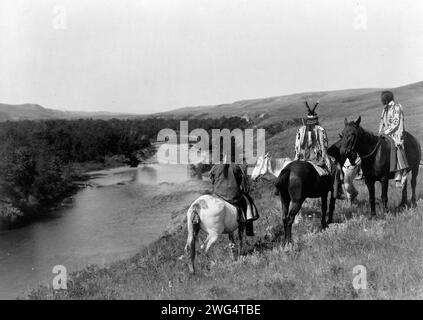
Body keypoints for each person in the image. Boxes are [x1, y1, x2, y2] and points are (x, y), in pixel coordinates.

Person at [294, 100, 345, 198]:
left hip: (301, 156)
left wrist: (298, 156)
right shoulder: (320, 129)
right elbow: (324, 146)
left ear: (307, 119)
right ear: (316, 119)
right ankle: (337, 191)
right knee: (336, 167)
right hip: (316, 157)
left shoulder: (300, 129)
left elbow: (296, 146)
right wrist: (325, 158)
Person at [209, 155, 258, 236]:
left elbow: (211, 178)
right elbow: (240, 182)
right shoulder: (237, 167)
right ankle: (249, 229)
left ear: (223, 158)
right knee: (248, 202)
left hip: (218, 194)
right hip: (232, 195)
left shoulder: (215, 166)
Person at [378, 90, 409, 187]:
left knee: (396, 145)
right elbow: (382, 122)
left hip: (396, 132)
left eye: (382, 99)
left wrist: (385, 132)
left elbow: (396, 123)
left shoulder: (397, 107)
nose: (381, 101)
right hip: (386, 132)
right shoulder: (385, 109)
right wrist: (379, 132)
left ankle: (400, 173)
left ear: (386, 99)